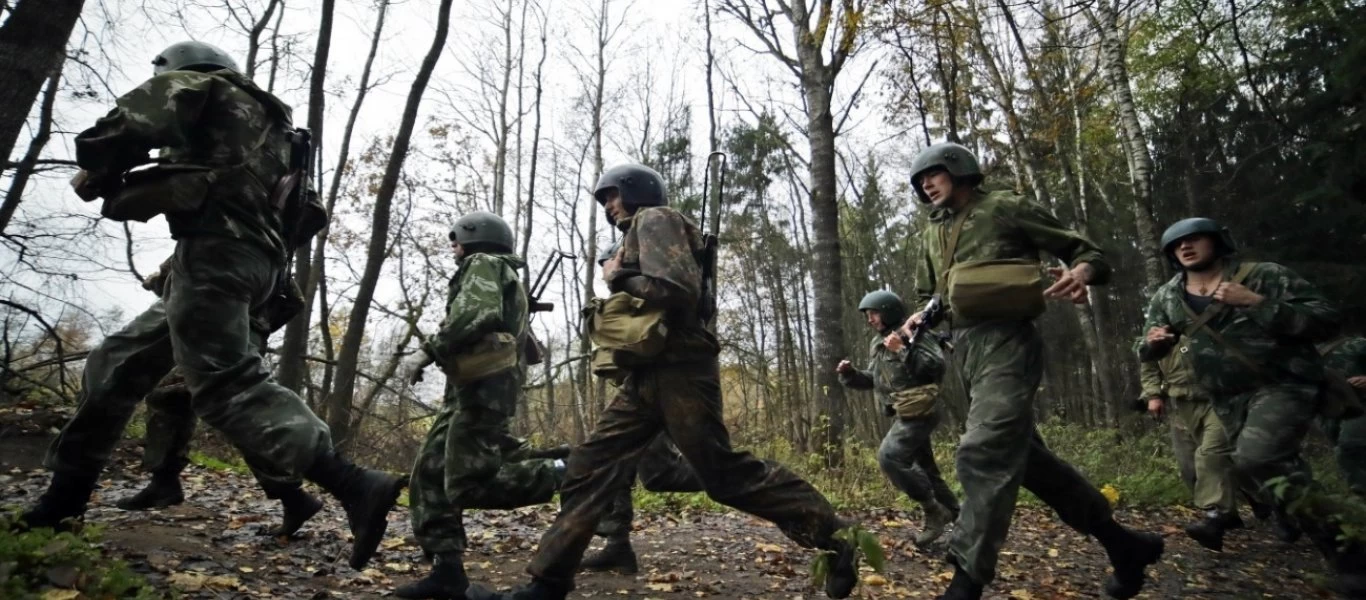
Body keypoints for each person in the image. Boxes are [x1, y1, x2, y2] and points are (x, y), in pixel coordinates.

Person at [17, 41, 402, 571]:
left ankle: (354, 484)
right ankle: (63, 502)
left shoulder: (201, 86)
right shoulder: (281, 134)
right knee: (117, 361)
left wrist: (100, 166)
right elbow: (305, 214)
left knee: (225, 384)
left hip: (217, 254)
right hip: (249, 264)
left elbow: (127, 125)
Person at [469, 164, 863, 600]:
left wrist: (618, 276)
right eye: (602, 200)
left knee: (724, 475)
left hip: (681, 370)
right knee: (589, 465)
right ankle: (546, 584)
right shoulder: (637, 231)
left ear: (638, 191)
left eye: (613, 195)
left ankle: (836, 536)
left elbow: (677, 289)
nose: (608, 205)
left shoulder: (656, 219)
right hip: (648, 373)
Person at [898, 142, 1162, 600]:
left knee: (981, 451)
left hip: (1008, 342)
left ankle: (966, 581)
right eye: (920, 181)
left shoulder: (1005, 207)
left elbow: (1088, 253)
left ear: (960, 170)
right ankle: (1124, 545)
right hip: (966, 352)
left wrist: (1080, 273)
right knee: (1027, 462)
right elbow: (932, 298)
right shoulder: (930, 234)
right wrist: (918, 319)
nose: (926, 183)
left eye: (933, 173)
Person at [1138, 217, 1363, 594]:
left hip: (1281, 385)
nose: (1185, 248)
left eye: (1194, 240)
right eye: (1177, 246)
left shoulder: (1263, 276)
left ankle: (1350, 554)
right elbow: (1143, 346)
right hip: (1225, 400)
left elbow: (1326, 320)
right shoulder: (1168, 296)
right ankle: (1341, 543)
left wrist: (1257, 303)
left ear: (1217, 242)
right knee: (1267, 474)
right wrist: (1155, 343)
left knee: (1257, 459)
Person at [395, 211, 568, 599]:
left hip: (481, 392)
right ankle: (447, 571)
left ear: (473, 237)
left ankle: (565, 470)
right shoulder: (504, 273)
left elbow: (476, 313)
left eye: (455, 238)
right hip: (472, 389)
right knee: (430, 473)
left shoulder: (482, 263)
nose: (452, 247)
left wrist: (428, 352)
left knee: (466, 484)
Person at [114, 259, 323, 539]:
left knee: (227, 409)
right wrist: (261, 325)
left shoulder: (227, 240)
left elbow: (178, 277)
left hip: (222, 334)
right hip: (226, 332)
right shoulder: (271, 258)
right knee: (173, 398)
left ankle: (295, 495)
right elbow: (294, 301)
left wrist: (254, 324)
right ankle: (163, 482)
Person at [579, 239, 705, 576]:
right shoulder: (629, 296)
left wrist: (615, 278)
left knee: (659, 474)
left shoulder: (644, 293)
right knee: (620, 464)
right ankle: (617, 546)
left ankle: (729, 475)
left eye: (607, 263)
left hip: (657, 391)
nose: (603, 270)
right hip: (638, 391)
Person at [837, 289, 958, 546]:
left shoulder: (914, 333)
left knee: (889, 456)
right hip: (904, 410)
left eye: (874, 313)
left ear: (889, 312)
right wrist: (849, 375)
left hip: (921, 410)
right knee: (927, 471)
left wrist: (903, 348)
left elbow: (935, 367)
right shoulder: (878, 342)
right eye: (867, 315)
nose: (870, 320)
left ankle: (934, 511)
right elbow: (875, 379)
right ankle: (965, 525)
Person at [1318, 336, 1366, 499]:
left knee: (1349, 448)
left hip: (1360, 406)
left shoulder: (1357, 345)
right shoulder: (1295, 350)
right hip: (1327, 412)